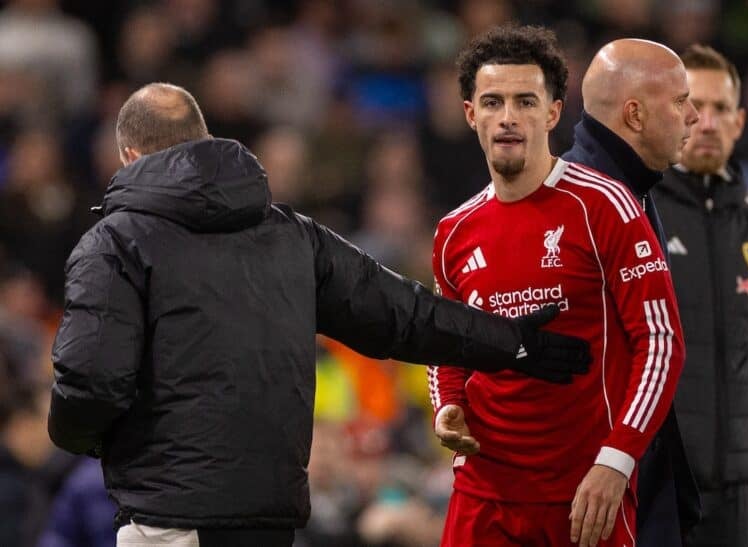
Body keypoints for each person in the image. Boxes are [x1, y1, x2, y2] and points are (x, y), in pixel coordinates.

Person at [47, 83, 592, 547]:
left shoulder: (115, 243)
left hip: (168, 518)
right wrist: (510, 341)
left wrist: (78, 439)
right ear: (204, 139)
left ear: (129, 157)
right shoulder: (292, 235)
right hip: (272, 518)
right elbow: (406, 315)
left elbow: (91, 381)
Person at [427, 26, 686, 547]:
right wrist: (447, 405)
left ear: (553, 113)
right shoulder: (453, 231)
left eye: (525, 101)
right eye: (493, 102)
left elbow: (661, 343)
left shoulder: (605, 206)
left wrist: (617, 459)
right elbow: (443, 344)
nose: (508, 116)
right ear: (471, 114)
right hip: (484, 494)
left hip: (585, 496)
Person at [652, 44, 748, 547]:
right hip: (656, 489)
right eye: (694, 105)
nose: (708, 122)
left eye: (721, 108)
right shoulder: (637, 214)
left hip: (739, 496)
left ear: (739, 123)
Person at [562, 38, 703, 546]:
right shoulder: (581, 205)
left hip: (635, 476)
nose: (694, 117)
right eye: (681, 101)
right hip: (595, 490)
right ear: (635, 115)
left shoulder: (633, 188)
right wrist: (615, 459)